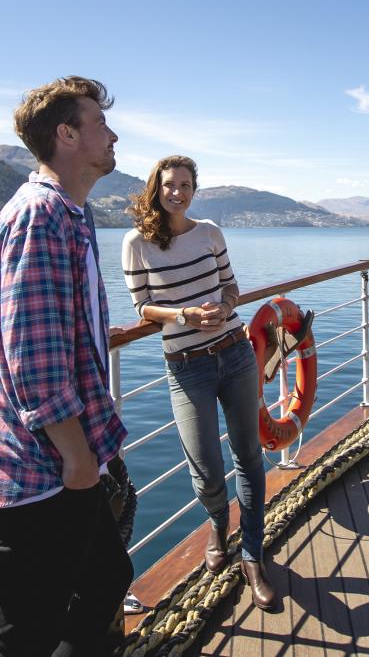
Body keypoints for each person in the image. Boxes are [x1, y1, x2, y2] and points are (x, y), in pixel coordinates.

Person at [0, 76, 133, 656]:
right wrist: (78, 456)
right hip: (35, 470)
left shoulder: (71, 215)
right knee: (20, 641)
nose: (112, 135)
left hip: (61, 460)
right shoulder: (41, 218)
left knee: (106, 579)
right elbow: (34, 359)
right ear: (66, 135)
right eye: (99, 124)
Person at [120, 155, 278, 611]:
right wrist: (185, 315)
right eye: (171, 184)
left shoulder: (210, 232)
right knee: (207, 470)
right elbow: (142, 307)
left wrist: (226, 309)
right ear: (156, 188)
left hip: (235, 354)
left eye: (186, 185)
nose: (179, 192)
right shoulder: (137, 243)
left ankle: (252, 556)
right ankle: (216, 523)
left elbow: (232, 287)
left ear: (194, 189)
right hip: (186, 365)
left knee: (249, 456)